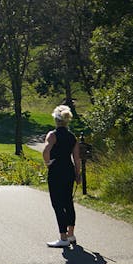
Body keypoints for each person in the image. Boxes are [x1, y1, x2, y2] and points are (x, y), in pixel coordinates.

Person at [43, 104, 83, 247]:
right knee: (68, 202)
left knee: (57, 204)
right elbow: (77, 159)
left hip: (56, 171)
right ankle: (71, 235)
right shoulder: (72, 137)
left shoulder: (52, 135)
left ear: (56, 120)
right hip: (68, 170)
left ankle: (63, 238)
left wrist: (48, 163)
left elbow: (46, 151)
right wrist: (77, 175)